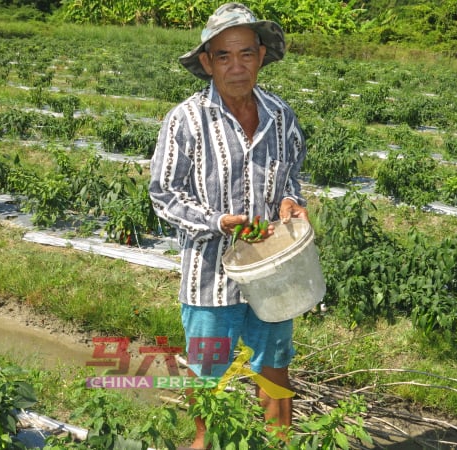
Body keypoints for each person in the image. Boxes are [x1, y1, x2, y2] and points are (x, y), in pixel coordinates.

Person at [149, 3, 309, 448]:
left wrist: (292, 202)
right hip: (210, 279)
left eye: (245, 54)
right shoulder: (185, 120)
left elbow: (292, 174)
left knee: (275, 367)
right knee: (207, 375)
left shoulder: (282, 116)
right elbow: (164, 194)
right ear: (207, 62)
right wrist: (218, 221)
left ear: (261, 55)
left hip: (273, 274)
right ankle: (206, 443)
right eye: (223, 56)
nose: (236, 67)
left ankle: (279, 443)